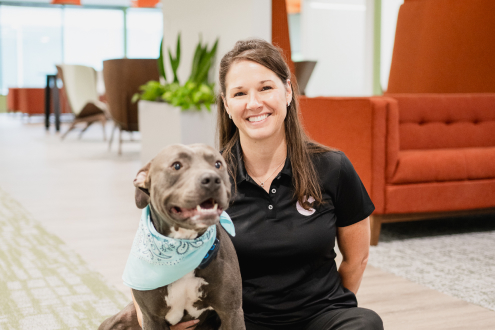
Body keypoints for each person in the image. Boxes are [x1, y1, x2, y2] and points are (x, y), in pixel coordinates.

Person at [100, 39, 383, 330]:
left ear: (287, 91)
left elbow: (357, 259)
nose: (254, 103)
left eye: (265, 88)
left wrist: (336, 305)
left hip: (320, 317)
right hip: (240, 321)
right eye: (239, 93)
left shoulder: (332, 167)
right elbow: (149, 263)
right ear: (226, 103)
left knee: (366, 323)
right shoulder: (210, 181)